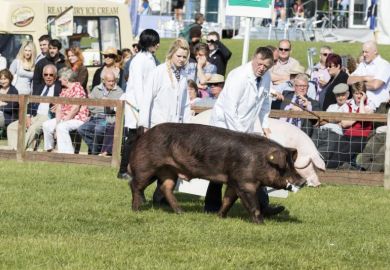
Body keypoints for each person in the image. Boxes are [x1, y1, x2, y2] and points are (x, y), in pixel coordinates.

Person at [207, 47, 285, 217]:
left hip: (244, 129)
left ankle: (262, 206)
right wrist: (240, 137)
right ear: (253, 58)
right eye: (259, 64)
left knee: (252, 168)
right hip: (224, 127)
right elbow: (229, 108)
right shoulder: (238, 76)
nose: (261, 68)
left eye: (266, 66)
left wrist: (264, 124)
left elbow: (265, 102)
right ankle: (211, 206)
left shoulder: (266, 77)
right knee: (220, 168)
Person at [117, 29, 160, 180]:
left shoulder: (150, 59)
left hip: (144, 104)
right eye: (155, 43)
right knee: (133, 137)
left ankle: (137, 169)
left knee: (140, 139)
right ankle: (123, 170)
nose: (158, 45)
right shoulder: (139, 60)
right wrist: (143, 108)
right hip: (136, 104)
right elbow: (138, 85)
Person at [7, 64, 62, 150]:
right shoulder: (39, 87)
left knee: (33, 128)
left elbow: (68, 100)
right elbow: (30, 103)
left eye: (51, 75)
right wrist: (28, 116)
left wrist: (60, 105)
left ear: (55, 76)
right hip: (35, 116)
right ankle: (14, 149)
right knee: (11, 127)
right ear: (43, 76)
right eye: (46, 74)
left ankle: (20, 151)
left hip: (47, 117)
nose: (48, 77)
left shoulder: (60, 87)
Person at [42, 68, 88, 154]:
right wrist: (57, 123)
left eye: (60, 78)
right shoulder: (64, 90)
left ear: (66, 79)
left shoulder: (78, 88)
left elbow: (75, 109)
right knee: (46, 125)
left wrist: (60, 124)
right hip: (65, 118)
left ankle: (67, 154)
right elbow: (59, 108)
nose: (59, 79)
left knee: (61, 127)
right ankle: (49, 150)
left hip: (78, 118)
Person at [78, 71, 123, 155]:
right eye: (109, 81)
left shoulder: (119, 92)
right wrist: (103, 106)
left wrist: (106, 104)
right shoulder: (96, 89)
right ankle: (98, 149)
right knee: (81, 129)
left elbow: (115, 110)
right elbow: (90, 106)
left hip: (107, 119)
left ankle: (95, 154)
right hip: (94, 117)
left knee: (98, 129)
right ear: (104, 81)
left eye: (113, 81)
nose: (112, 83)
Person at [311, 83, 350, 168]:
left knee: (323, 152)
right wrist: (333, 120)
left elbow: (343, 122)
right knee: (311, 148)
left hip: (334, 133)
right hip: (321, 130)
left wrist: (328, 120)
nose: (340, 97)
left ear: (347, 94)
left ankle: (316, 168)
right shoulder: (331, 106)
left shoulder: (348, 106)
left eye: (343, 95)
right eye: (338, 95)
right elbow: (322, 121)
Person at [338, 82, 375, 168]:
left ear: (364, 94)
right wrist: (356, 117)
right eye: (356, 93)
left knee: (345, 154)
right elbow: (344, 123)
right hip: (347, 135)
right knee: (338, 151)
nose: (358, 96)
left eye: (361, 93)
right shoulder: (348, 104)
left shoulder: (369, 104)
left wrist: (362, 101)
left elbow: (362, 118)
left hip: (362, 136)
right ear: (352, 94)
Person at [347, 41, 390, 109]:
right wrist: (365, 78)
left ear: (375, 51)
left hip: (378, 107)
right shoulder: (362, 65)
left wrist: (357, 85)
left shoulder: (384, 65)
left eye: (366, 52)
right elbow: (349, 80)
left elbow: (375, 85)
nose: (364, 54)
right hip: (360, 106)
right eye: (363, 52)